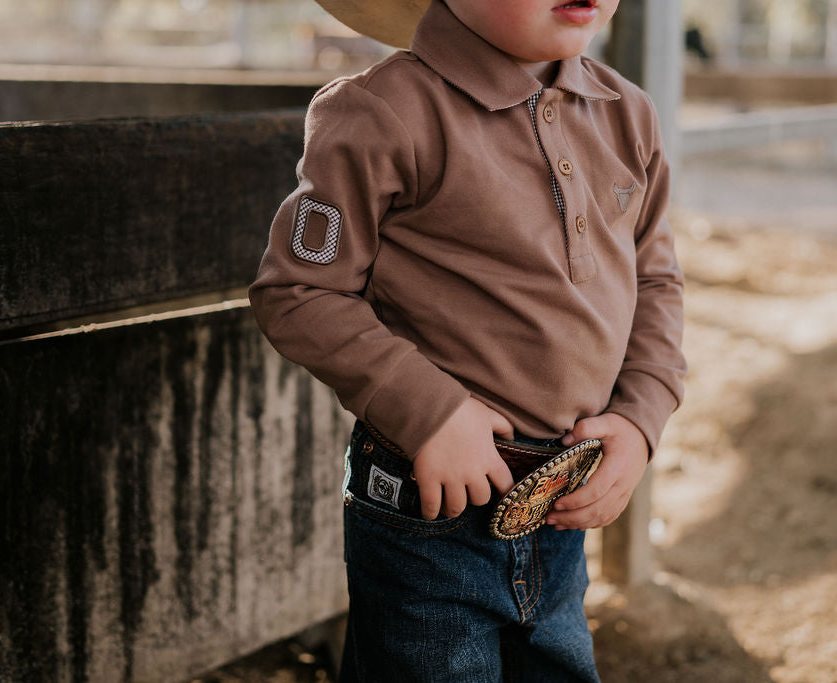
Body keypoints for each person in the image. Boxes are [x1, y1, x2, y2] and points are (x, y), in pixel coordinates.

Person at [249, 0, 687, 680]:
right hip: (429, 515)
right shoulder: (386, 110)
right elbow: (300, 291)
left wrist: (641, 413)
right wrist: (430, 409)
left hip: (562, 503)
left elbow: (657, 281)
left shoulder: (626, 113)